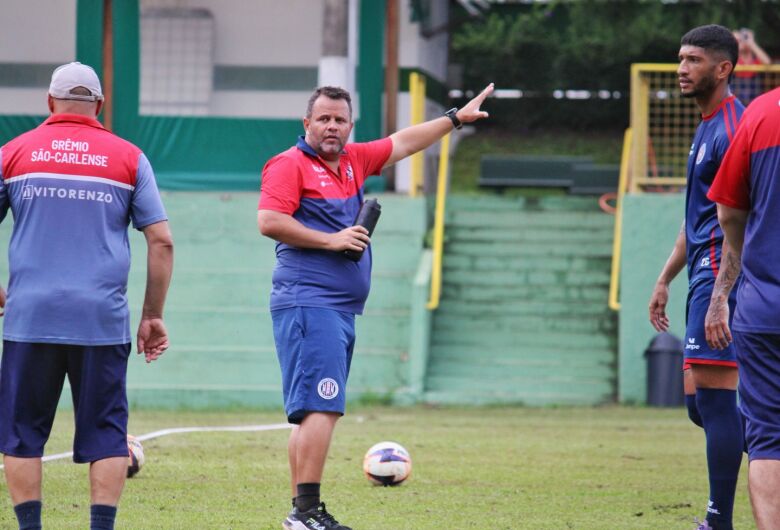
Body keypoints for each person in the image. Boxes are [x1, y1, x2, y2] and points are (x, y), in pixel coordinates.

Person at [257, 83, 493, 530]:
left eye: (340, 120)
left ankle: (300, 513)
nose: (331, 126)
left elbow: (404, 141)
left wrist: (455, 118)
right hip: (310, 303)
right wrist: (332, 239)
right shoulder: (289, 164)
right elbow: (269, 220)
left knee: (310, 411)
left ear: (350, 126)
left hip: (336, 309)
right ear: (306, 123)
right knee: (322, 406)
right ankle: (306, 514)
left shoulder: (352, 160)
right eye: (323, 118)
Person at [0, 62, 173, 530]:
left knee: (21, 436)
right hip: (101, 320)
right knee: (106, 436)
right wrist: (152, 315)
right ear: (99, 105)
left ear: (49, 102)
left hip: (29, 317)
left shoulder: (12, 153)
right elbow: (161, 240)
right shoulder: (129, 158)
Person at [646, 25, 744, 530]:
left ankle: (718, 520)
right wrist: (665, 278)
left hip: (719, 276)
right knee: (700, 407)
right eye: (680, 58)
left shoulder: (733, 128)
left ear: (723, 68)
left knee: (715, 401)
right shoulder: (705, 127)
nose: (682, 68)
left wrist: (722, 296)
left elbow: (738, 219)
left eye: (693, 60)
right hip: (698, 274)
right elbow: (698, 218)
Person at [705, 86, 780, 530]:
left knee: (769, 438)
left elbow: (728, 211)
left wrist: (750, 266)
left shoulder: (761, 112)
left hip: (765, 306)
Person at [731, 28, 771, 104]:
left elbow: (767, 62)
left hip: (754, 99)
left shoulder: (756, 59)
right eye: (739, 40)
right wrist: (733, 41)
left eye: (744, 39)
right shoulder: (735, 58)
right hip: (737, 100)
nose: (742, 41)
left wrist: (751, 43)